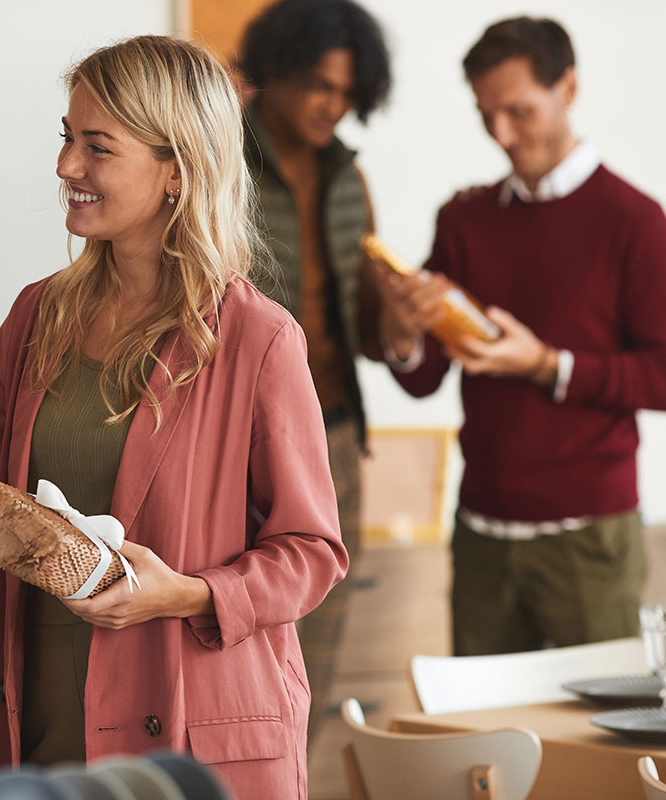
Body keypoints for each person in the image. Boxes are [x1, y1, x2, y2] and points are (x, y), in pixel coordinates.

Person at [0, 35, 346, 799]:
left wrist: (184, 593)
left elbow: (311, 550)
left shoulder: (258, 338)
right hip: (43, 722)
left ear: (177, 169)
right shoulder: (38, 314)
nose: (66, 167)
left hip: (193, 732)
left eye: (98, 148)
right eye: (66, 139)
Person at [377, 16, 666, 656]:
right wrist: (401, 329)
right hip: (480, 535)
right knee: (486, 741)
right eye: (486, 114)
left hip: (590, 539)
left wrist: (546, 365)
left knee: (596, 742)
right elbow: (425, 376)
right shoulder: (464, 217)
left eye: (517, 111)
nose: (501, 134)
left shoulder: (634, 220)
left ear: (568, 88)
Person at [237, 0, 391, 740]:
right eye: (320, 86)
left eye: (347, 92)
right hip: (233, 448)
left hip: (333, 441)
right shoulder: (216, 159)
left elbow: (361, 330)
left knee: (315, 665)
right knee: (231, 660)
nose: (335, 105)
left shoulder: (349, 179)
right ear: (274, 71)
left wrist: (401, 325)